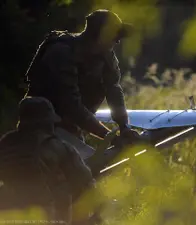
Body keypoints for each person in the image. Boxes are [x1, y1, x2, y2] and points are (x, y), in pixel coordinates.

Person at [24, 9, 140, 151]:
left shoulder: (106, 56)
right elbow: (71, 105)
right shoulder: (61, 52)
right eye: (114, 37)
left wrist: (124, 127)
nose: (117, 41)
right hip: (41, 128)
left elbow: (113, 89)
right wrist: (110, 137)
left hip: (72, 129)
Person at [0, 97, 98, 223]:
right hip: (43, 214)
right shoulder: (57, 146)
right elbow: (85, 183)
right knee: (68, 189)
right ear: (47, 122)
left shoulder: (6, 142)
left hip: (7, 211)